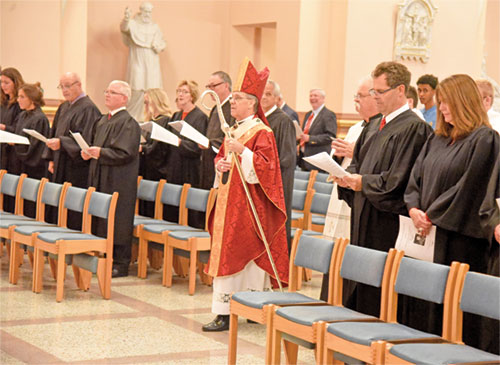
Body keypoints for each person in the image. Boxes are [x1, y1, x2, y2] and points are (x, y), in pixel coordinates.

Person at [405, 74, 499, 350]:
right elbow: (415, 179)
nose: (442, 108)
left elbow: (469, 188)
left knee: (455, 310)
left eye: (446, 102)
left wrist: (430, 215)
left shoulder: (485, 140)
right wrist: (414, 209)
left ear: (463, 102)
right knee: (427, 307)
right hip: (428, 233)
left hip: (459, 241)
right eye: (441, 102)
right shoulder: (437, 139)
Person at [335, 61, 433, 317]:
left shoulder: (414, 127)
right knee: (359, 281)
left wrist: (362, 182)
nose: (374, 97)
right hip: (363, 214)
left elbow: (399, 180)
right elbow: (358, 163)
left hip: (386, 222)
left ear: (400, 90)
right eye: (373, 92)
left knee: (380, 288)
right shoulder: (374, 125)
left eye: (379, 92)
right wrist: (346, 178)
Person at [202, 59, 289, 332]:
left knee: (244, 253)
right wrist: (221, 165)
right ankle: (224, 310)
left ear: (252, 103)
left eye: (237, 99)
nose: (231, 103)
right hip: (229, 202)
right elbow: (221, 159)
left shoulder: (262, 132)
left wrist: (242, 151)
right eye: (232, 99)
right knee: (227, 251)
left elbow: (268, 169)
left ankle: (250, 306)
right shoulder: (233, 128)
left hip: (250, 207)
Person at [320, 76, 381, 301]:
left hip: (357, 199)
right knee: (333, 255)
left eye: (361, 96)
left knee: (348, 257)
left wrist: (354, 151)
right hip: (341, 194)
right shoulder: (356, 127)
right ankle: (328, 302)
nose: (356, 100)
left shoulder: (381, 129)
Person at [82, 80, 141, 278]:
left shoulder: (128, 123)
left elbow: (125, 153)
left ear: (123, 98)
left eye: (112, 92)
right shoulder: (103, 120)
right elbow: (99, 147)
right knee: (103, 216)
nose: (107, 94)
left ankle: (121, 263)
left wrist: (101, 153)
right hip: (101, 175)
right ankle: (103, 255)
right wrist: (90, 153)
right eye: (106, 91)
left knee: (118, 217)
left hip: (119, 179)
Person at [43, 72, 101, 229]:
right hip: (60, 162)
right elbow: (53, 132)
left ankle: (71, 239)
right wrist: (50, 158)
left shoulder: (89, 108)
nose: (64, 90)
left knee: (72, 207)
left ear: (79, 85)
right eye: (61, 86)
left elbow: (87, 139)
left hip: (76, 167)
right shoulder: (64, 106)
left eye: (68, 86)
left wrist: (62, 143)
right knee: (59, 203)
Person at [165, 80, 207, 227]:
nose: (180, 94)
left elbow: (198, 146)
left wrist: (181, 143)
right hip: (174, 165)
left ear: (192, 95)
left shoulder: (200, 117)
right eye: (179, 91)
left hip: (189, 168)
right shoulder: (176, 115)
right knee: (172, 209)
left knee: (187, 208)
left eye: (185, 92)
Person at [261, 79, 297, 250]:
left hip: (276, 185)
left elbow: (287, 158)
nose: (263, 98)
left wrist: (265, 168)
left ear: (277, 98)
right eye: (261, 93)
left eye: (268, 94)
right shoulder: (257, 120)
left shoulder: (283, 121)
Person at [120, 2, 166, 121]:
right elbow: (124, 28)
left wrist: (159, 46)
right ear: (141, 11)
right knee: (136, 86)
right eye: (146, 11)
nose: (148, 14)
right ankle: (133, 116)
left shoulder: (155, 27)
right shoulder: (134, 23)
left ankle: (150, 115)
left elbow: (162, 42)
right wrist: (126, 18)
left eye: (150, 12)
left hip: (152, 61)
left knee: (152, 88)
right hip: (138, 59)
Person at [13, 83, 50, 218]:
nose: (18, 100)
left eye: (22, 97)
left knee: (30, 205)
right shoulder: (23, 115)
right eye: (18, 96)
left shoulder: (39, 119)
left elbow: (35, 147)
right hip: (21, 165)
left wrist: (16, 146)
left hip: (34, 168)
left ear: (32, 99)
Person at [139, 88, 172, 218]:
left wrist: (143, 149)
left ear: (156, 102)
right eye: (145, 103)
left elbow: (159, 147)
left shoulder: (165, 121)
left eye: (148, 102)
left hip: (158, 169)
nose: (146, 106)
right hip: (147, 167)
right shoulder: (152, 121)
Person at [199, 71, 233, 190]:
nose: (210, 90)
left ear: (226, 85)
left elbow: (232, 135)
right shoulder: (215, 108)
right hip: (208, 160)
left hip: (222, 163)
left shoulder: (233, 107)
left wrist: (210, 143)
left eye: (214, 86)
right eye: (208, 86)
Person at [0, 67, 24, 213]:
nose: (3, 86)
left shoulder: (19, 104)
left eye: (6, 82)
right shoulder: (3, 103)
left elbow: (19, 128)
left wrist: (4, 127)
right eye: (1, 82)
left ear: (15, 82)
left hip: (13, 153)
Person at [299, 88, 337, 171]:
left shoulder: (329, 114)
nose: (312, 98)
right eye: (311, 96)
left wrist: (310, 138)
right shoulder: (308, 114)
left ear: (323, 98)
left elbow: (330, 137)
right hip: (304, 157)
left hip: (318, 160)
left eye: (315, 96)